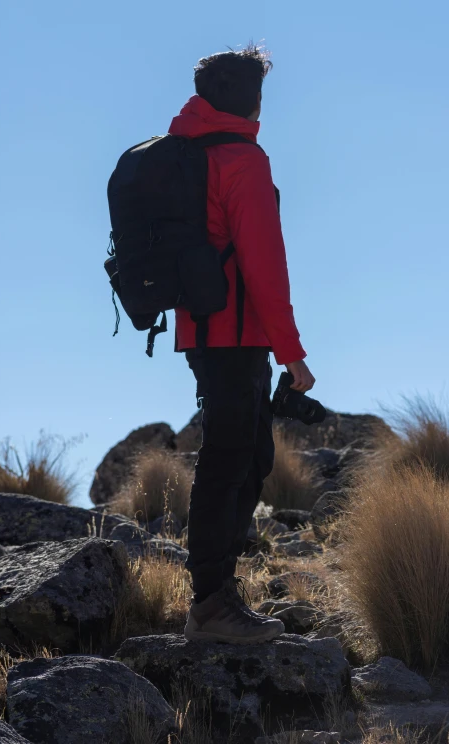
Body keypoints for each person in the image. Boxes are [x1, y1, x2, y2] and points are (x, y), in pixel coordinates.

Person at [169, 44, 315, 644]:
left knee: (248, 457)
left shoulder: (183, 151)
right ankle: (209, 605)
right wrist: (292, 351)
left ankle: (217, 595)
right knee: (230, 461)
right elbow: (263, 263)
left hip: (201, 331)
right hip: (238, 332)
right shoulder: (242, 160)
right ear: (249, 96)